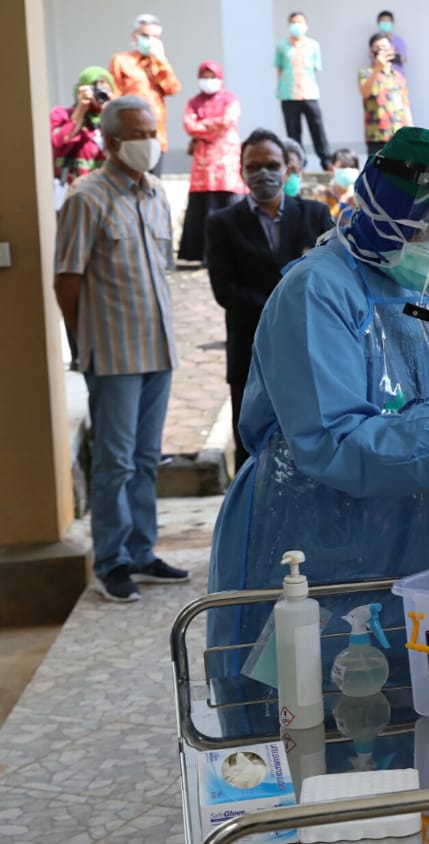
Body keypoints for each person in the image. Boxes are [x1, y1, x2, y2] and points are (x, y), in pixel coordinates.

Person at [206, 126, 429, 652]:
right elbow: (334, 445)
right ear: (397, 213)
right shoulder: (317, 290)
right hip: (309, 550)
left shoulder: (414, 299)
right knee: (305, 709)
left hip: (407, 553)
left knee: (396, 709)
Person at [53, 96, 188, 603]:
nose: (149, 141)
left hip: (158, 351)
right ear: (111, 142)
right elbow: (66, 280)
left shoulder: (155, 194)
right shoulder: (86, 199)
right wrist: (83, 344)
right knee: (115, 463)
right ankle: (111, 562)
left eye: (152, 130)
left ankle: (141, 550)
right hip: (112, 356)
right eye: (138, 133)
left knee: (148, 458)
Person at [205, 128, 333, 471]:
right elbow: (226, 291)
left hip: (312, 353)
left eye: (272, 164)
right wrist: (284, 311)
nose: (263, 173)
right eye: (254, 166)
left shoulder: (316, 216)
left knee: (311, 447)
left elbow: (333, 278)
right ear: (241, 170)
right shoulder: (222, 224)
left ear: (288, 169)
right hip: (251, 355)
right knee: (253, 455)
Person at [178, 61, 246, 264]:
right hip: (203, 165)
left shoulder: (230, 99)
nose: (208, 81)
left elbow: (228, 121)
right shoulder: (193, 102)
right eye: (204, 76)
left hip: (227, 163)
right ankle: (202, 255)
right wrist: (211, 126)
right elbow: (189, 125)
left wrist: (203, 125)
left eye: (212, 76)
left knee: (227, 203)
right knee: (203, 207)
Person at [109, 13, 181, 174]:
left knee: (153, 188)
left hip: (157, 136)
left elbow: (173, 88)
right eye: (145, 35)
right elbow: (113, 97)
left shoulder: (159, 63)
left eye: (155, 37)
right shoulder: (121, 60)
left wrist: (161, 60)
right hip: (130, 136)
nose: (150, 40)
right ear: (135, 36)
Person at [275, 11, 331, 170]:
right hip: (289, 94)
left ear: (306, 26)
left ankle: (326, 160)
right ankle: (297, 162)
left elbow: (315, 68)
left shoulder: (313, 45)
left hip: (309, 92)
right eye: (293, 22)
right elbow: (279, 69)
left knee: (317, 128)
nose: (296, 26)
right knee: (293, 131)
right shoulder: (281, 46)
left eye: (299, 22)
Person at [51, 67, 115, 199]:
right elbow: (58, 141)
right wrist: (80, 110)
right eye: (96, 90)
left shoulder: (112, 118)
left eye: (105, 90)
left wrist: (114, 111)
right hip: (72, 193)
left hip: (105, 193)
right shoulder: (62, 115)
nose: (101, 96)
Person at [360, 32, 413, 157]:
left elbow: (405, 105)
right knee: (377, 173)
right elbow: (365, 92)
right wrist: (377, 68)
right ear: (371, 52)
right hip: (376, 136)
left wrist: (411, 130)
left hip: (399, 134)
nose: (382, 51)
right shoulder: (366, 73)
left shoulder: (398, 76)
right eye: (378, 48)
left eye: (386, 48)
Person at [324, 148, 361, 221]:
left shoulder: (361, 195)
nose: (348, 170)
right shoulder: (326, 195)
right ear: (332, 169)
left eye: (352, 167)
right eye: (343, 167)